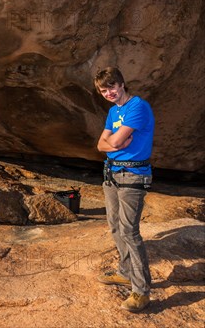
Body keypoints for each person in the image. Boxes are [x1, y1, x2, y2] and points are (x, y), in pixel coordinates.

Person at [93, 67, 154, 312]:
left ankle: (141, 292)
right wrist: (114, 143)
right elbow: (100, 145)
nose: (109, 92)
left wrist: (114, 143)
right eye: (103, 90)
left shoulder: (138, 107)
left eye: (112, 87)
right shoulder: (113, 111)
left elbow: (114, 142)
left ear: (122, 84)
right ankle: (126, 272)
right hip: (111, 174)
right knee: (115, 226)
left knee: (130, 231)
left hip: (133, 176)